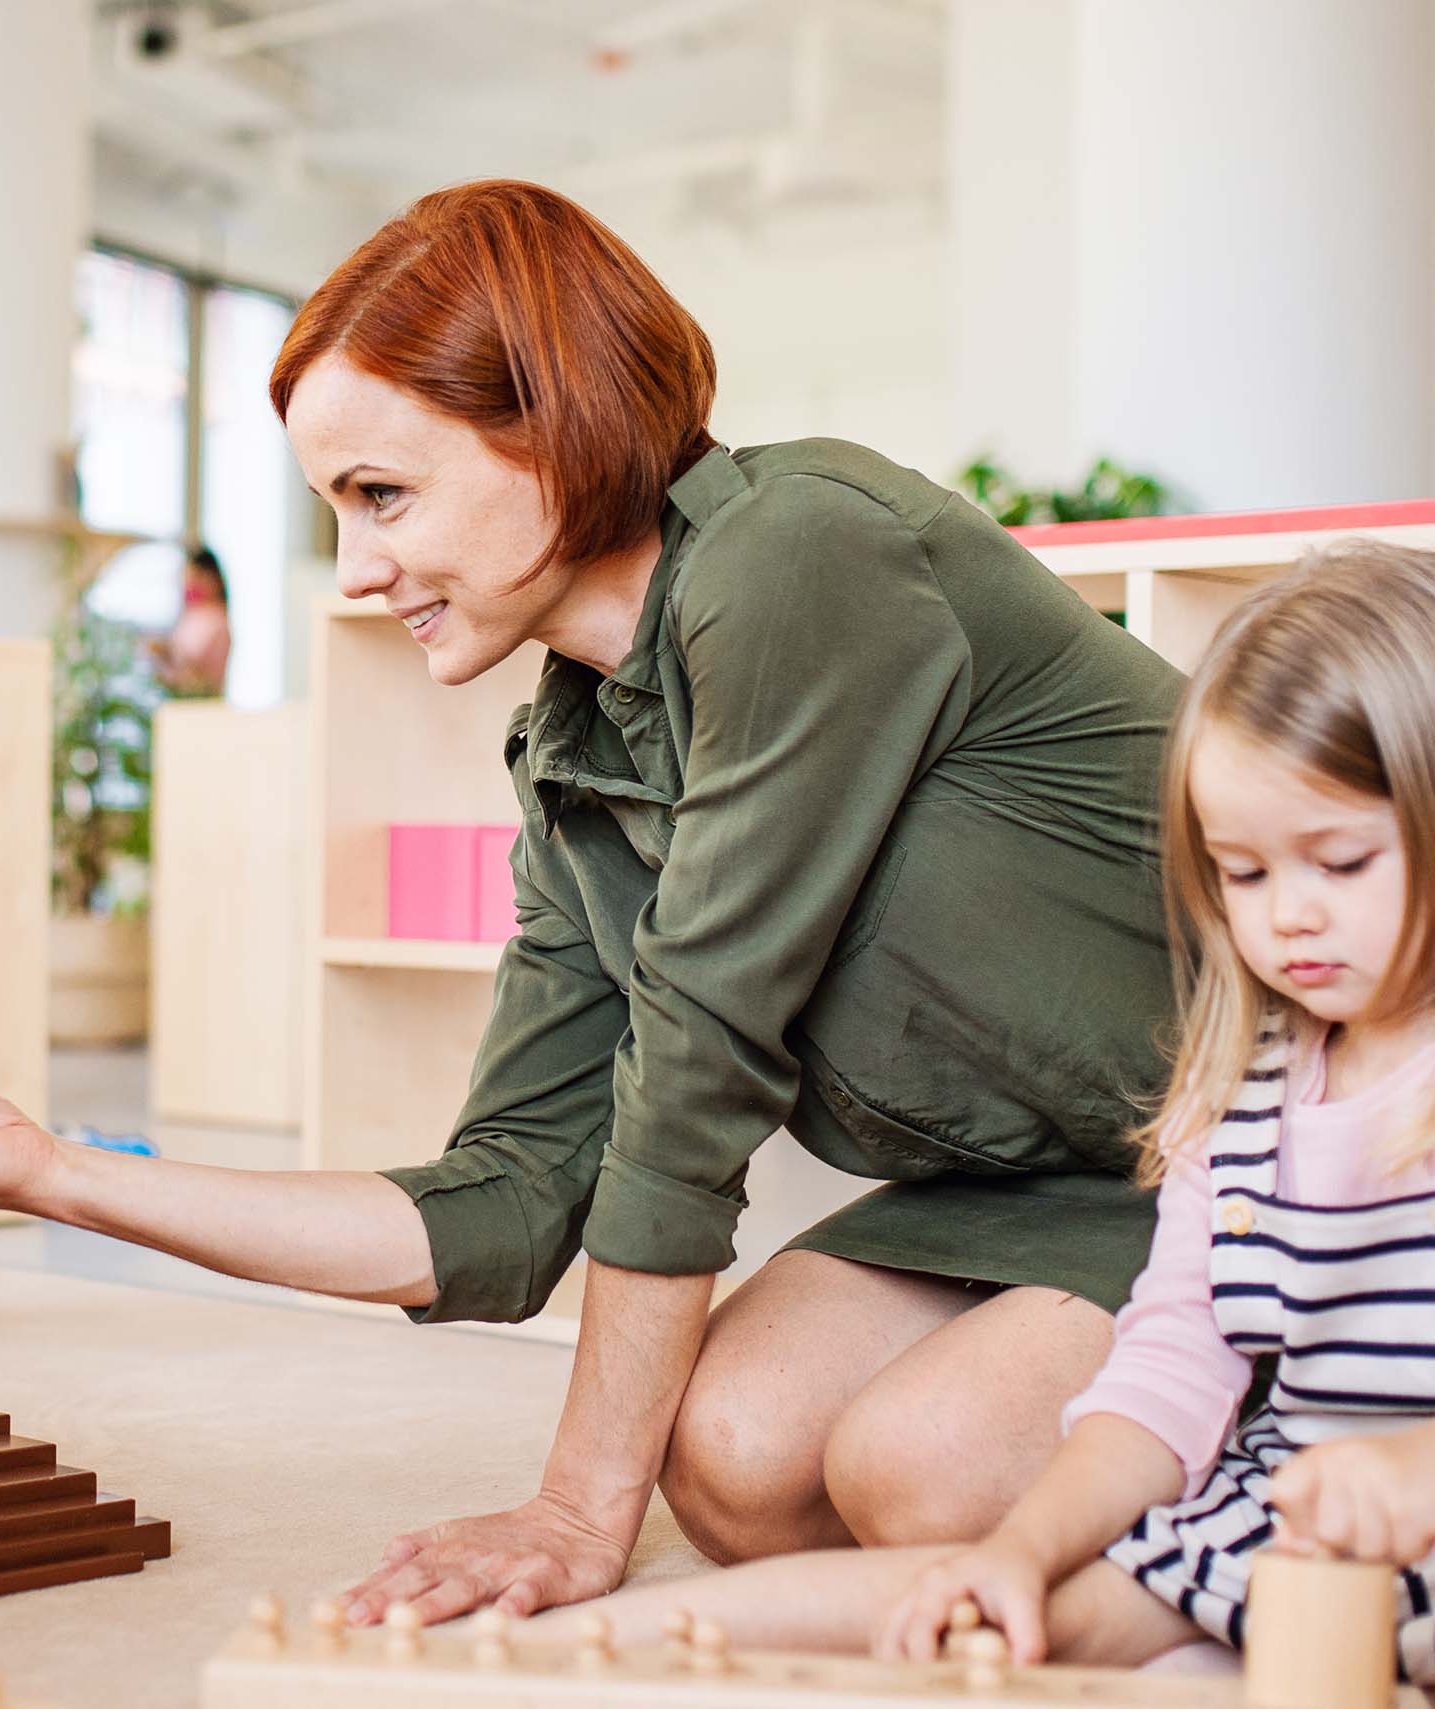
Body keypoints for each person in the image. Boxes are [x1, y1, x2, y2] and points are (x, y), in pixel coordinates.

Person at [0, 179, 1189, 1624]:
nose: (354, 572)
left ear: (554, 425)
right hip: (1039, 1190)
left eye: (383, 497)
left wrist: (575, 1506)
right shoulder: (574, 753)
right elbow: (507, 1202)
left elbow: (697, 1074)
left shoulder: (798, 554)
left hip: (1274, 1155)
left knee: (925, 1472)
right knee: (729, 1459)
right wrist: (58, 1174)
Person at [545, 542, 1435, 1684]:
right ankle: (544, 1654)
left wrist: (1412, 1470)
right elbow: (1168, 1374)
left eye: (1340, 860)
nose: (1288, 918)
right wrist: (1019, 1551)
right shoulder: (1245, 1094)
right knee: (988, 1621)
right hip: (1292, 1530)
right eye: (1246, 876)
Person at [152, 545, 231, 697]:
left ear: (214, 578)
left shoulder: (218, 621)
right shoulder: (190, 618)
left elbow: (200, 674)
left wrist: (170, 654)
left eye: (196, 577)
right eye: (188, 577)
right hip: (180, 699)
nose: (190, 584)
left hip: (201, 703)